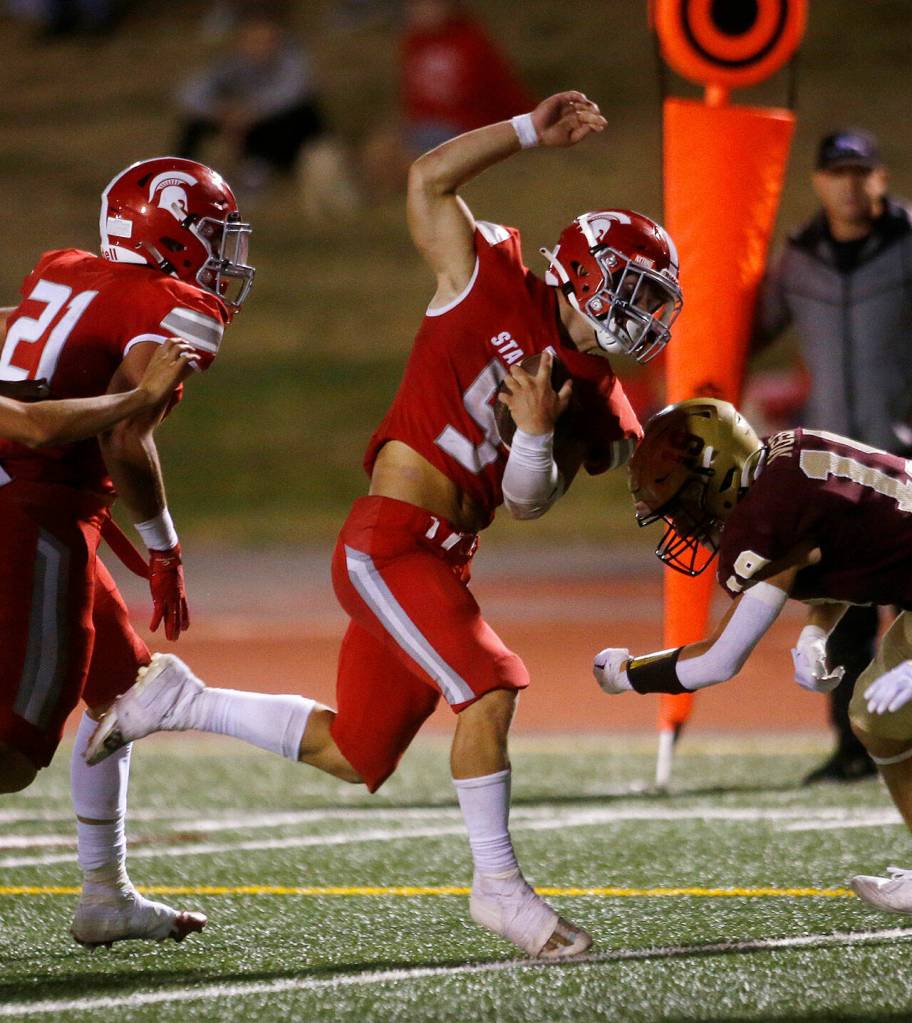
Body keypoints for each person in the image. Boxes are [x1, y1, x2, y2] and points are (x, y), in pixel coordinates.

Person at [85, 91, 684, 958]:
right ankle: (502, 892)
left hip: (445, 556)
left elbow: (527, 500)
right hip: (389, 537)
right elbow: (428, 176)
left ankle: (184, 698)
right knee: (492, 685)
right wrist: (526, 131)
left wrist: (542, 434)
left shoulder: (595, 394)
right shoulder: (489, 275)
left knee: (358, 753)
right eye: (632, 288)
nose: (642, 314)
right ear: (585, 272)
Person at [0, 155, 255, 947]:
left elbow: (19, 330)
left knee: (124, 691)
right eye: (211, 234)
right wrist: (163, 544)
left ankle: (105, 893)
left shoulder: (66, 268)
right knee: (12, 751)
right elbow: (122, 438)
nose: (225, 253)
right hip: (32, 514)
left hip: (31, 492)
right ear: (170, 235)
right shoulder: (174, 304)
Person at [590, 397, 912, 915]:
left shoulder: (765, 516)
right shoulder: (789, 459)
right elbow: (857, 545)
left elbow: (719, 660)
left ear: (714, 474)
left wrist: (626, 675)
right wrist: (815, 634)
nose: (686, 525)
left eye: (684, 504)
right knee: (878, 719)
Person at [753, 128, 912, 784]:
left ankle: (900, 735)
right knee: (842, 605)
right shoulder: (798, 258)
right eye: (837, 173)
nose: (850, 184)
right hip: (837, 466)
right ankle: (852, 744)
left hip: (905, 460)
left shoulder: (908, 245)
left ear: (879, 176)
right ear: (819, 181)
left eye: (861, 171)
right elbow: (753, 325)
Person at [361, 0, 535, 198]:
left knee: (413, 162)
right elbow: (412, 98)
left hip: (464, 128)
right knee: (380, 152)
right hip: (424, 128)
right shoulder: (414, 45)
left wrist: (528, 122)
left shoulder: (471, 41)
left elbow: (500, 87)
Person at [174, 12, 327, 195]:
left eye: (267, 41)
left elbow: (291, 94)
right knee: (194, 123)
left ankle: (258, 170)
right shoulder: (232, 65)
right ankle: (176, 174)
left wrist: (250, 112)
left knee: (295, 115)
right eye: (253, 41)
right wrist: (221, 111)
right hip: (242, 122)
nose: (261, 47)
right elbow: (190, 93)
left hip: (285, 129)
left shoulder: (293, 62)